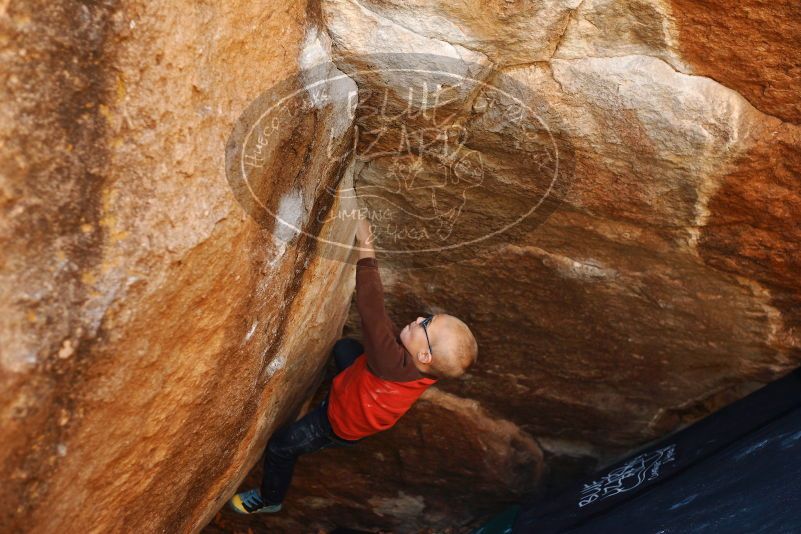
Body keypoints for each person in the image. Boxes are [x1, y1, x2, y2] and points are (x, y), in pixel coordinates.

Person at [228, 219, 478, 514]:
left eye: (425, 324)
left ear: (424, 356)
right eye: (428, 317)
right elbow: (384, 330)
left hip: (335, 423)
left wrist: (366, 245)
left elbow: (372, 308)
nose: (420, 318)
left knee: (282, 446)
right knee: (344, 348)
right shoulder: (417, 366)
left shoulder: (390, 364)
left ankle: (270, 499)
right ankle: (343, 386)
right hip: (362, 390)